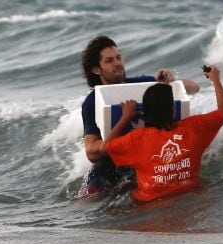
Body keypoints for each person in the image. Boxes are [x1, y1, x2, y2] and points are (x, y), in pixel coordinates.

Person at [80, 35, 200, 196]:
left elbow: (194, 87)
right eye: (109, 61)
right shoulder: (91, 102)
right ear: (96, 69)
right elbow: (91, 153)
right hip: (112, 167)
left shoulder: (141, 85)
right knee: (88, 199)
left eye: (119, 57)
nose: (117, 63)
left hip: (149, 158)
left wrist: (172, 82)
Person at [98, 65, 223, 202]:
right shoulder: (194, 127)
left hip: (148, 207)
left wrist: (125, 117)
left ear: (145, 113)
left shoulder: (137, 139)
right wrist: (215, 79)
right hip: (189, 196)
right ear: (174, 109)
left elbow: (103, 148)